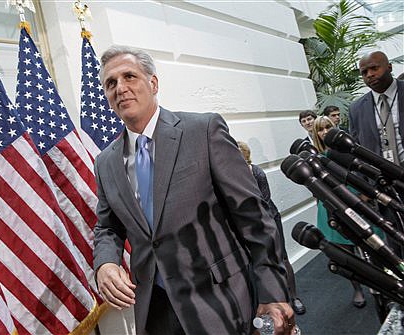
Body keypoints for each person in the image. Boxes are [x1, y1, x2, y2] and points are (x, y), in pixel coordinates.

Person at [93, 45, 295, 335]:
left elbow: (253, 215)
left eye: (129, 76)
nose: (120, 88)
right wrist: (106, 263)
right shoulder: (105, 162)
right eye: (111, 83)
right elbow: (108, 227)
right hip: (157, 310)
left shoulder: (203, 130)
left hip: (222, 299)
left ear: (153, 83)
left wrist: (272, 290)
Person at [312, 116, 385, 308]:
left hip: (357, 200)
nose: (325, 131)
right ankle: (358, 290)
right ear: (315, 133)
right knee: (345, 254)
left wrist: (367, 194)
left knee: (374, 245)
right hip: (331, 205)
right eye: (320, 129)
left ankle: (383, 285)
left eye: (328, 126)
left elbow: (365, 170)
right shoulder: (315, 156)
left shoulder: (348, 147)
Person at [237, 141, 306, 315]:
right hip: (249, 224)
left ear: (246, 154)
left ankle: (294, 297)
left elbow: (265, 200)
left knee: (282, 257)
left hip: (269, 219)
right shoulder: (233, 176)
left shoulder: (257, 172)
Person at [349, 51, 404, 165]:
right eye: (364, 72)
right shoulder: (356, 109)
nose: (369, 75)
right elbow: (357, 150)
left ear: (389, 67)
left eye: (374, 68)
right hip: (383, 178)